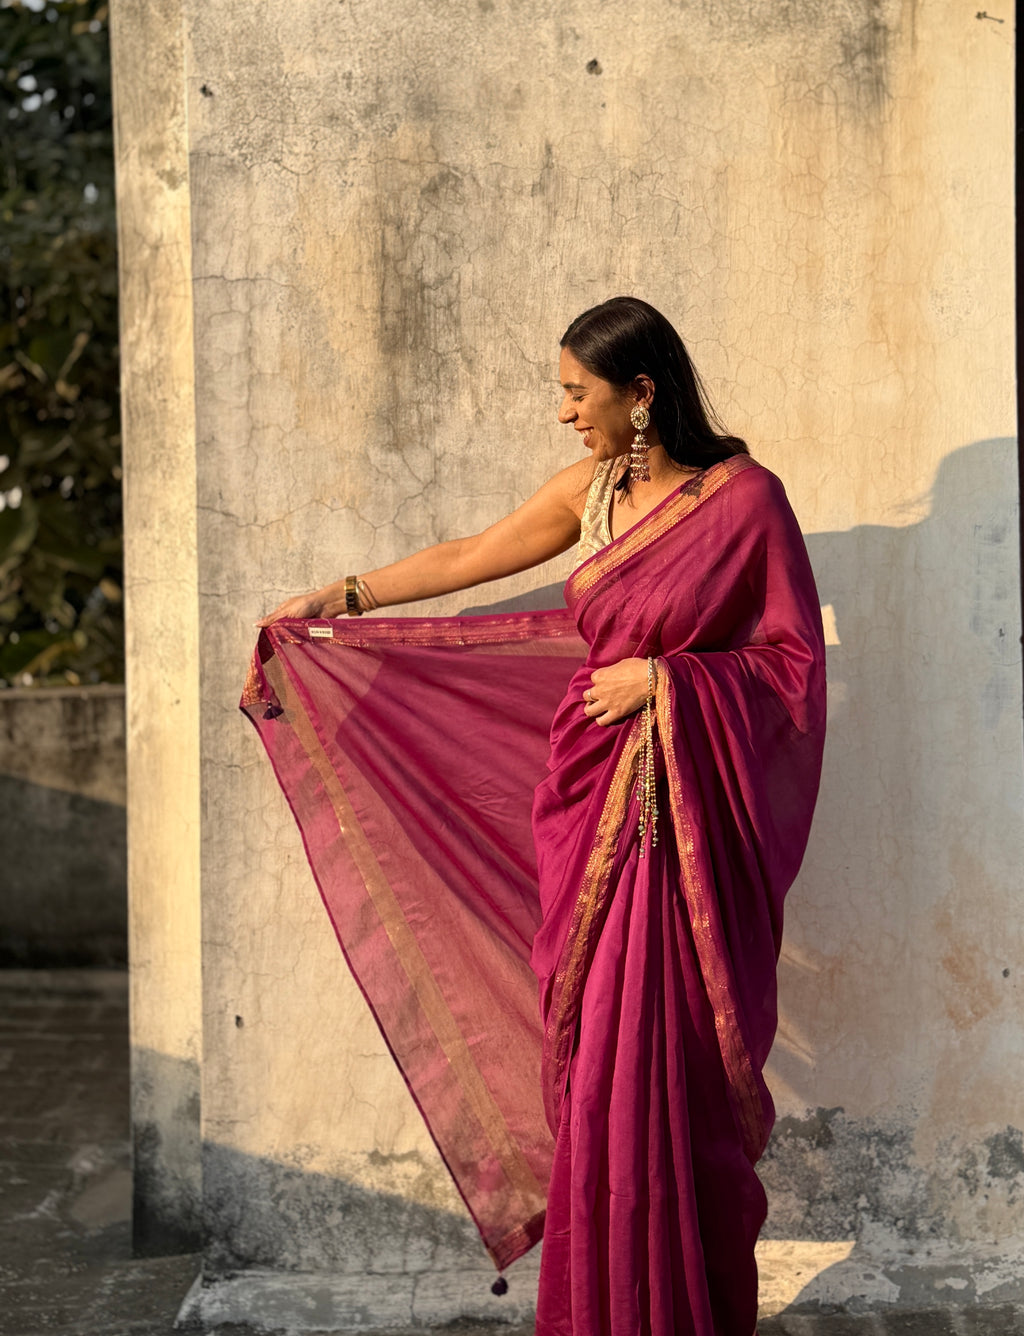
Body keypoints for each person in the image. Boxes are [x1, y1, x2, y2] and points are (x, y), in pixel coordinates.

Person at [248, 296, 827, 1336]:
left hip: (681, 831)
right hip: (590, 802)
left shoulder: (744, 504)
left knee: (669, 1068)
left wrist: (667, 681)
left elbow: (789, 671)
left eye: (577, 391)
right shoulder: (590, 492)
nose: (564, 412)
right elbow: (474, 553)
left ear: (641, 393)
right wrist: (334, 599)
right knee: (599, 1068)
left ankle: (677, 1306)